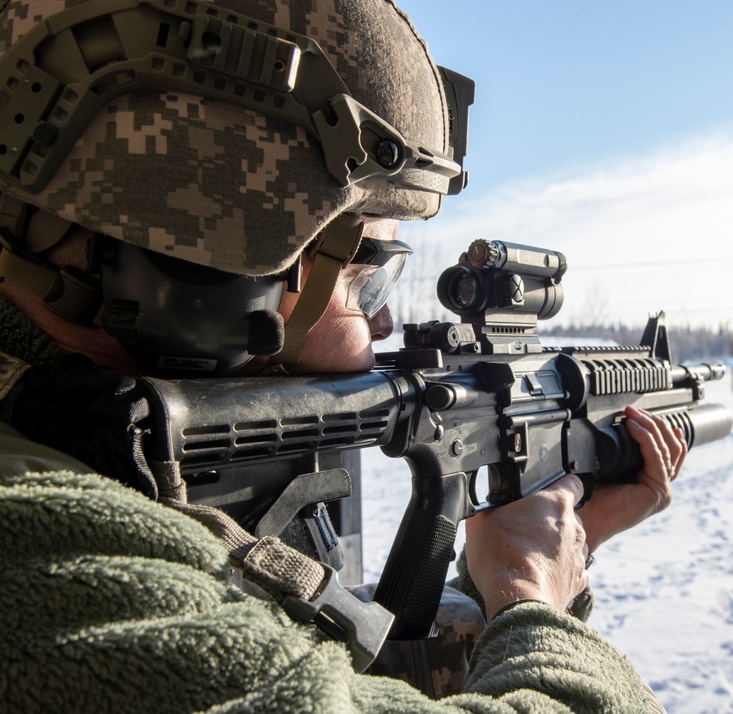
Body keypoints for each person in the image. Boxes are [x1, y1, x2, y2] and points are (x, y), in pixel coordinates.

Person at [0, 1, 687, 710]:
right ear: (201, 272)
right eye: (366, 276)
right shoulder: (44, 549)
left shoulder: (79, 453)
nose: (386, 321)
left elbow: (333, 672)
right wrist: (531, 594)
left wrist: (539, 567)